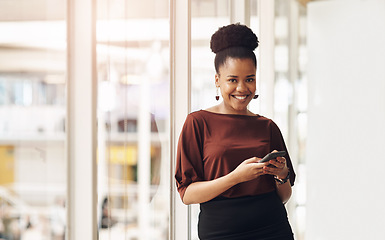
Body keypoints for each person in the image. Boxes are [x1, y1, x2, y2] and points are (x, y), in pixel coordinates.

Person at [175, 23, 296, 240]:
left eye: (249, 79)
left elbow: (284, 196)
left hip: (273, 228)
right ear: (217, 80)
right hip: (221, 232)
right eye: (233, 80)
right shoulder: (197, 123)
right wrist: (235, 178)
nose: (242, 88)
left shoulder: (268, 126)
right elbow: (187, 194)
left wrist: (281, 175)